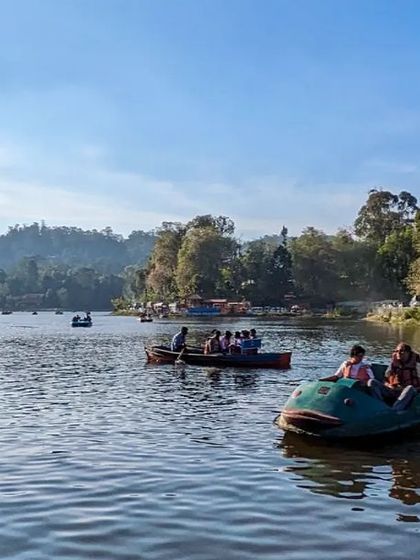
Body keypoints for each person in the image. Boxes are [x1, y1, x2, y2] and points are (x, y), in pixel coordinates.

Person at [368, 342, 419, 411]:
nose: (398, 353)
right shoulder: (393, 363)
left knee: (410, 388)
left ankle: (394, 411)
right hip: (392, 390)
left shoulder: (415, 364)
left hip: (406, 392)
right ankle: (380, 405)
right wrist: (389, 385)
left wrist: (404, 388)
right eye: (397, 351)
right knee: (372, 382)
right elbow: (385, 380)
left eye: (402, 351)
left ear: (408, 353)